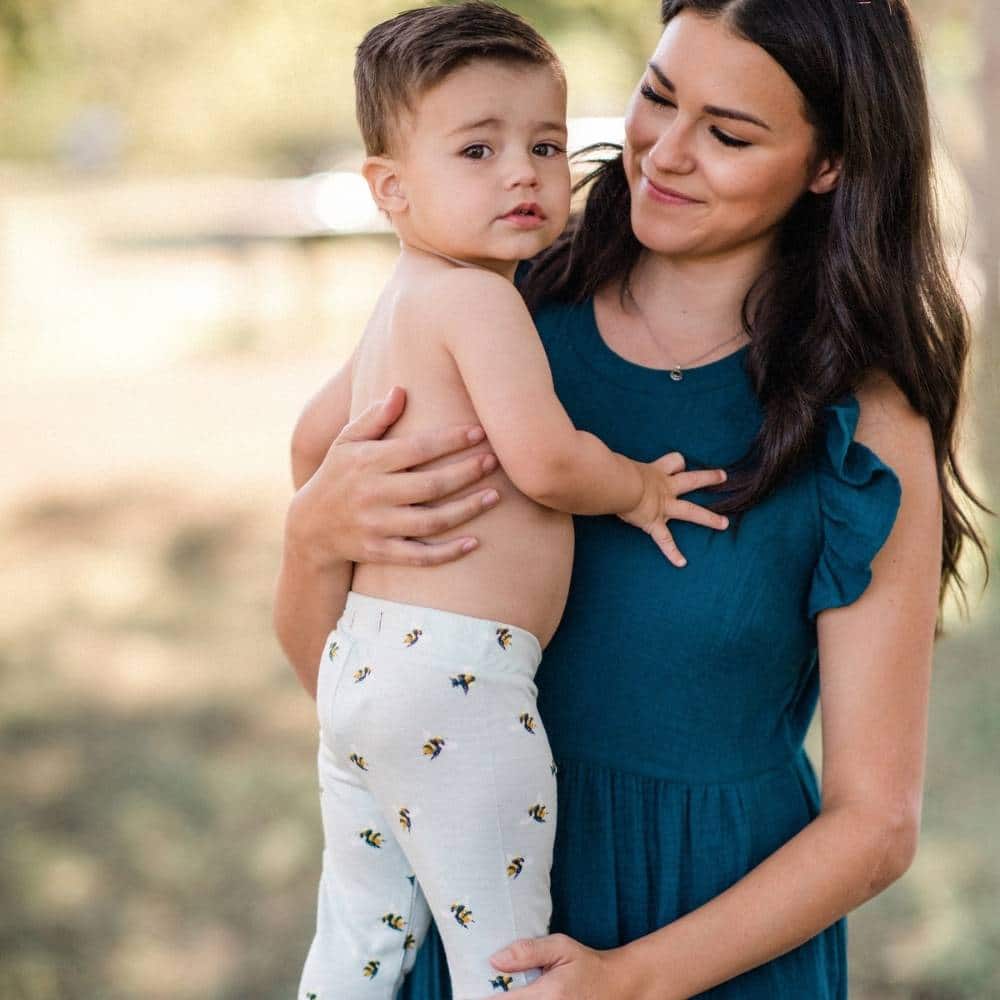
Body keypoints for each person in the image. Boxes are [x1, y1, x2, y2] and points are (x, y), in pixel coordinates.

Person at [274, 0, 992, 996]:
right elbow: (350, 691)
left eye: (729, 133)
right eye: (656, 97)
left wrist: (631, 979)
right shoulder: (497, 306)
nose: (662, 152)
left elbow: (875, 823)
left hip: (708, 945)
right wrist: (311, 540)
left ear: (826, 164)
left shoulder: (861, 426)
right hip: (477, 921)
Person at [288, 4, 731, 998]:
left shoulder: (402, 297)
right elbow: (541, 460)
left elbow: (312, 441)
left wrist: (346, 504)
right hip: (457, 683)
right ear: (391, 188)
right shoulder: (481, 299)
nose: (522, 174)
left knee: (361, 933)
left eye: (543, 143)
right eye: (477, 149)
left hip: (363, 667)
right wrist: (637, 486)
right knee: (505, 953)